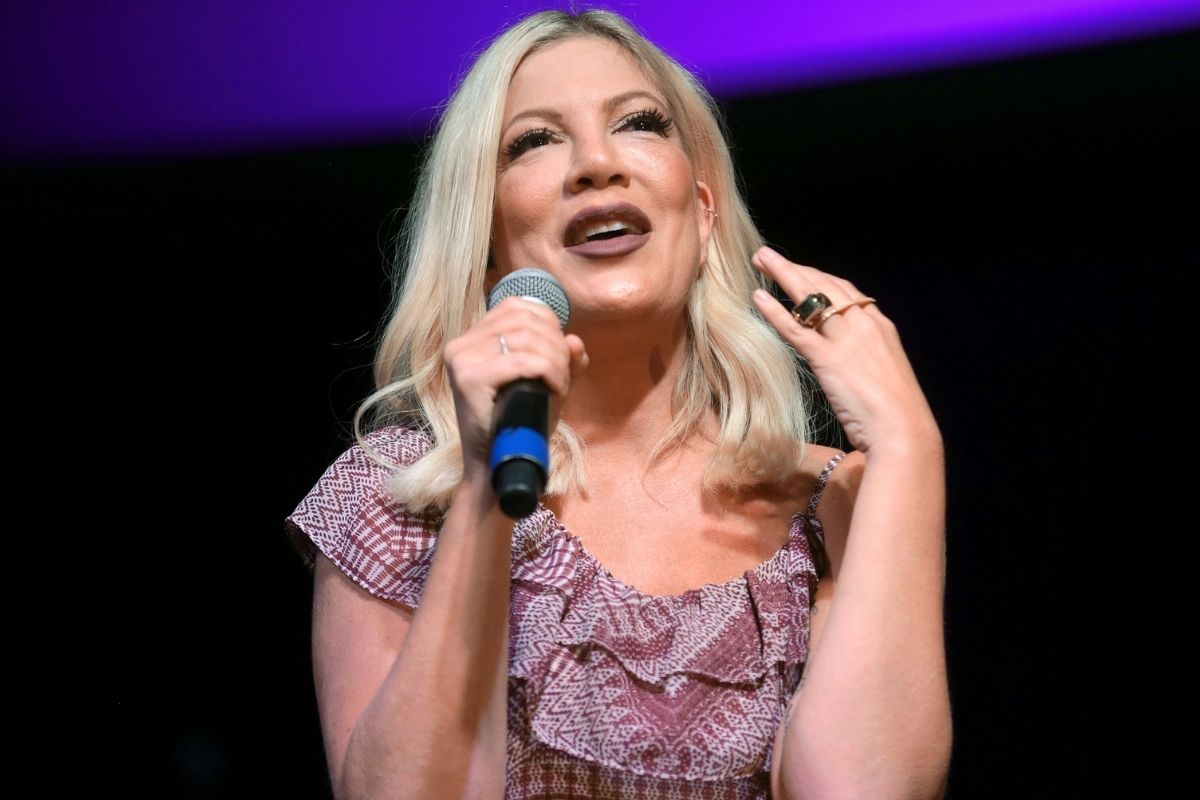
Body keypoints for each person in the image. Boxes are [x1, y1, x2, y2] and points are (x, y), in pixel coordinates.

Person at [286, 7, 951, 799]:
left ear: (701, 212)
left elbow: (858, 789)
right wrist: (480, 491)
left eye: (638, 124)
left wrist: (910, 446)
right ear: (489, 234)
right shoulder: (395, 497)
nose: (596, 164)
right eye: (533, 141)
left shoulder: (829, 503)